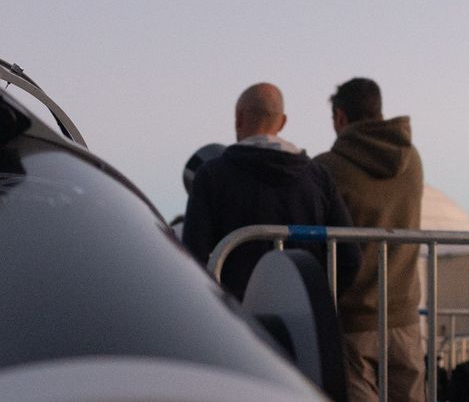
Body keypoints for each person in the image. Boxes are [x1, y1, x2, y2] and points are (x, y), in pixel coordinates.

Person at [182, 82, 360, 300]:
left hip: (238, 318)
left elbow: (192, 257)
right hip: (300, 323)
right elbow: (350, 258)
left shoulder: (212, 175)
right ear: (283, 122)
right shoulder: (318, 177)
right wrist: (314, 302)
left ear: (239, 118)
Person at [314, 77, 424, 402]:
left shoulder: (328, 168)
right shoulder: (412, 160)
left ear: (340, 118)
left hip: (353, 319)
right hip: (405, 315)